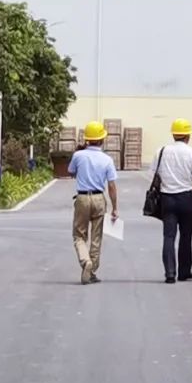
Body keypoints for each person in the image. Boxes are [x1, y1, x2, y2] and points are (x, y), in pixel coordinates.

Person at [152, 118, 192, 284]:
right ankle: (184, 271)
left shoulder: (161, 151)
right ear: (188, 136)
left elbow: (155, 174)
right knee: (186, 236)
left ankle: (169, 272)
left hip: (167, 199)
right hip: (186, 199)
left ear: (174, 134)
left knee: (168, 236)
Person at [69, 121, 119, 285]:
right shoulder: (107, 159)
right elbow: (111, 185)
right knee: (96, 237)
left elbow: (71, 172)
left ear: (87, 139)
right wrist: (115, 208)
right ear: (102, 139)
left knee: (79, 235)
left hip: (82, 198)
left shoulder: (78, 156)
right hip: (99, 198)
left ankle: (85, 262)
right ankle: (92, 270)